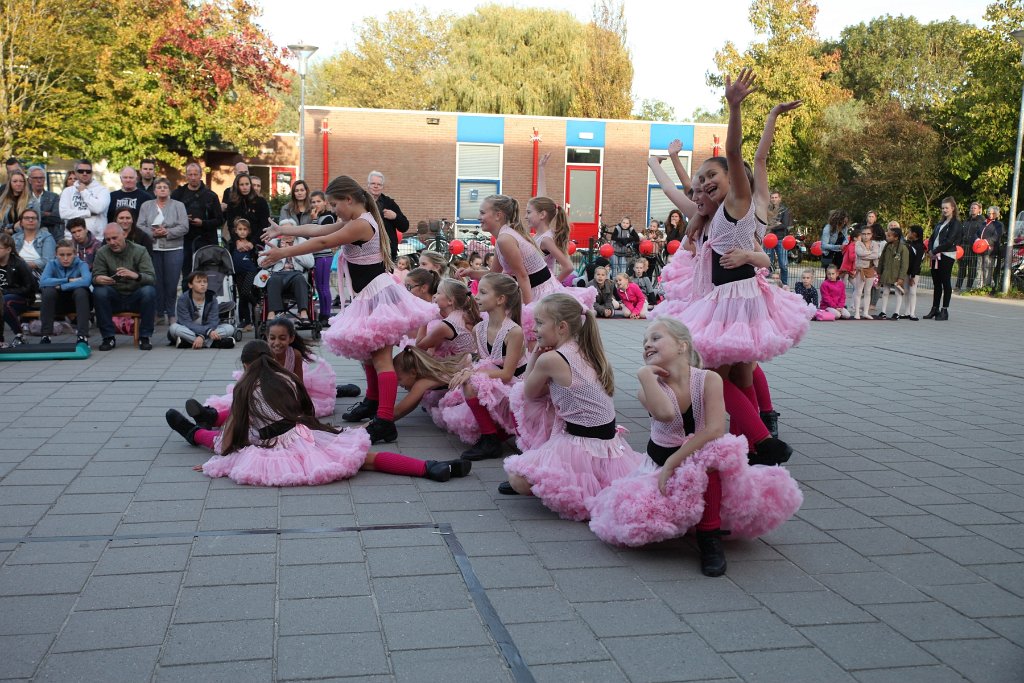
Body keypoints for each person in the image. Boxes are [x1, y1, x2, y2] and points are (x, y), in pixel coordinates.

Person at [588, 318, 802, 576]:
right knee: (645, 517)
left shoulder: (709, 379)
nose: (647, 344)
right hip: (659, 464)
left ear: (682, 346)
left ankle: (709, 537)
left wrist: (674, 461)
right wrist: (644, 375)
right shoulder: (648, 388)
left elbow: (714, 429)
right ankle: (694, 521)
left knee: (711, 459)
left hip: (689, 458)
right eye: (644, 341)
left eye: (655, 338)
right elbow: (666, 414)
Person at [259, 175, 438, 445]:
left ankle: (385, 421)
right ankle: (373, 401)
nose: (333, 210)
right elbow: (319, 231)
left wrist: (282, 254)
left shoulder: (362, 224)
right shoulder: (357, 220)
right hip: (366, 296)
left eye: (334, 204)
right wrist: (285, 231)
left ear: (349, 199)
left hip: (377, 297)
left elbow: (323, 243)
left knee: (381, 359)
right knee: (368, 356)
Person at [166, 341, 471, 486]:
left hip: (273, 445)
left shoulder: (243, 388)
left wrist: (219, 459)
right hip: (304, 433)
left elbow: (232, 429)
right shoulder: (286, 378)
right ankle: (430, 466)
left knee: (227, 445)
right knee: (364, 459)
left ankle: (192, 432)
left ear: (246, 365)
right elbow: (305, 411)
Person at [501, 293, 646, 521]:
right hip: (608, 444)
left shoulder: (551, 359)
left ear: (561, 327)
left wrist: (534, 358)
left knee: (517, 479)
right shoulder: (584, 348)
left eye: (540, 323)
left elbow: (527, 394)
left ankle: (550, 484)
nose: (534, 329)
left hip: (579, 445)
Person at [457, 195, 575, 342]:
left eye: (482, 213)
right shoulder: (503, 236)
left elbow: (523, 276)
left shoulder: (505, 238)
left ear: (498, 215)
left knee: (534, 340)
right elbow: (494, 273)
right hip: (533, 288)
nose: (478, 217)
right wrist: (471, 273)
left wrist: (528, 311)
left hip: (538, 291)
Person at [436, 273, 525, 459]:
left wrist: (472, 373)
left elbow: (508, 374)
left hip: (519, 386)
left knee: (471, 382)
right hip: (499, 379)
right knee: (469, 382)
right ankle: (491, 437)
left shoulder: (514, 331)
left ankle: (497, 435)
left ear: (500, 299)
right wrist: (470, 371)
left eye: (483, 292)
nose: (476, 296)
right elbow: (487, 362)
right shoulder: (479, 329)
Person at [201, 317, 336, 419]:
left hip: (286, 392)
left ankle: (212, 418)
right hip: (260, 390)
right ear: (266, 337)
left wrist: (298, 403)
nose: (277, 343)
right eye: (272, 338)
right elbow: (254, 383)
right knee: (244, 408)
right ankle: (211, 415)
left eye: (282, 338)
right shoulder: (263, 354)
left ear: (291, 338)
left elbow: (298, 382)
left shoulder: (295, 355)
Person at [92, 223, 157, 351]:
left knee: (149, 291)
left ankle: (145, 337)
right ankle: (108, 337)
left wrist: (135, 275)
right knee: (99, 291)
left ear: (124, 235)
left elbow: (152, 278)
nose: (111, 242)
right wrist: (98, 279)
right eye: (108, 239)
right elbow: (95, 277)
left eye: (115, 238)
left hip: (135, 297)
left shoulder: (140, 250)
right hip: (114, 297)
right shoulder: (101, 252)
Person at [137, 178, 188, 326]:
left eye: (165, 187)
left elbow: (184, 226)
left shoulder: (178, 205)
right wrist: (153, 233)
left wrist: (167, 232)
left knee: (171, 283)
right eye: (159, 187)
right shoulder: (146, 206)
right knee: (156, 282)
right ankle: (158, 313)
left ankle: (171, 313)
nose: (162, 189)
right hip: (153, 249)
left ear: (169, 190)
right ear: (154, 191)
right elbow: (139, 225)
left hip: (174, 248)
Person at [171, 162, 223, 290]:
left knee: (206, 276)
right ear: (186, 176)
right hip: (184, 240)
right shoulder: (178, 194)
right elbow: (170, 217)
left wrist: (203, 223)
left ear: (200, 175)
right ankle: (186, 305)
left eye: (196, 174)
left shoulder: (211, 195)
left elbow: (220, 220)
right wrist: (183, 219)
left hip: (206, 240)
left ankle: (206, 305)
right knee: (187, 275)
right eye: (190, 174)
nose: (193, 177)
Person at [39, 239, 91, 344]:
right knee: (48, 291)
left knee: (81, 291)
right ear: (56, 254)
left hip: (77, 302)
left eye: (69, 254)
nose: (65, 258)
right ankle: (46, 335)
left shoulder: (82, 264)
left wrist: (63, 286)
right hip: (57, 303)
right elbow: (43, 282)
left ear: (75, 254)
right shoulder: (51, 264)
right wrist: (67, 280)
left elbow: (86, 281)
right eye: (61, 255)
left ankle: (82, 336)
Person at [168, 270, 235, 349]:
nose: (203, 284)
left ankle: (189, 342)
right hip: (190, 329)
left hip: (208, 330)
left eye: (205, 282)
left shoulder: (212, 298)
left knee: (229, 328)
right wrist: (207, 332)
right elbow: (186, 322)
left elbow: (213, 321)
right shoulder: (183, 299)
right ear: (190, 285)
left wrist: (202, 336)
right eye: (198, 282)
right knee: (174, 328)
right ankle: (214, 343)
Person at [416, 278, 480, 358]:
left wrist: (425, 317)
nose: (434, 296)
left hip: (461, 367)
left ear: (450, 301)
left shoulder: (447, 325)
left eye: (438, 293)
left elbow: (420, 346)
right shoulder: (464, 313)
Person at [924, 197, 964, 321]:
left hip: (946, 255)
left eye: (947, 208)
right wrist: (930, 250)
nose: (944, 210)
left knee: (945, 282)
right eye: (942, 208)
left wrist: (935, 251)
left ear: (953, 208)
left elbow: (950, 241)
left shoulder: (955, 223)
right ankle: (934, 308)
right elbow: (931, 238)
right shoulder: (940, 223)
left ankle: (944, 310)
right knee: (936, 283)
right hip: (935, 255)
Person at [265, 230, 314, 319]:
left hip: (296, 273)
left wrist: (292, 251)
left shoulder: (302, 242)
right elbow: (262, 263)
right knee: (272, 280)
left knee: (299, 279)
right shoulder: (273, 243)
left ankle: (303, 312)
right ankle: (273, 313)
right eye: (284, 232)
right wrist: (278, 255)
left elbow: (310, 263)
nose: (288, 234)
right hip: (278, 273)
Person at [58, 160, 110, 240]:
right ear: (76, 173)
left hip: (96, 239)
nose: (84, 173)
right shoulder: (68, 191)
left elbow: (98, 209)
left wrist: (83, 191)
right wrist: (88, 213)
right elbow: (64, 213)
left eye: (88, 171)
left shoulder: (102, 190)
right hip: (71, 239)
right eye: (81, 171)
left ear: (92, 173)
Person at [0, 233, 36, 347]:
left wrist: (6, 292)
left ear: (9, 249)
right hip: (2, 297)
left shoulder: (19, 263)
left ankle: (20, 335)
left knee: (5, 302)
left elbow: (30, 287)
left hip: (22, 298)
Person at [366, 171, 407, 261]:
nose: (376, 186)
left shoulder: (389, 203)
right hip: (366, 252)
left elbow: (404, 226)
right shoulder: (361, 202)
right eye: (373, 183)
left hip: (387, 253)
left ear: (382, 187)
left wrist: (395, 217)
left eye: (379, 184)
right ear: (368, 185)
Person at [308, 190, 336, 322]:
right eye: (313, 202)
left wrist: (313, 220)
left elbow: (317, 234)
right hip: (316, 256)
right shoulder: (317, 217)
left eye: (318, 201)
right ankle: (322, 314)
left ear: (325, 202)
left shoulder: (328, 217)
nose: (315, 204)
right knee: (319, 286)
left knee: (324, 286)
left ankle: (326, 314)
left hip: (324, 256)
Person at [228, 218, 260, 330]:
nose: (242, 231)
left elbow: (257, 255)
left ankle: (256, 304)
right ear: (235, 231)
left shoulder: (251, 245)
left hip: (250, 271)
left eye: (245, 229)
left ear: (249, 231)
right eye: (240, 229)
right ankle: (247, 322)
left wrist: (252, 246)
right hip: (237, 272)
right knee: (242, 296)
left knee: (246, 291)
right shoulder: (232, 244)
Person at [223, 173, 269, 245]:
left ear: (250, 185)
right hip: (238, 244)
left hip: (257, 243)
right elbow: (231, 225)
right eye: (242, 185)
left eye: (247, 184)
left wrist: (252, 243)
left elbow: (264, 225)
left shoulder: (261, 202)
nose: (245, 187)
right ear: (237, 186)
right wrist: (237, 242)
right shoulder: (232, 203)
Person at [876, 223, 909, 320]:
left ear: (896, 237)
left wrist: (901, 277)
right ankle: (883, 311)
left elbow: (904, 264)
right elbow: (882, 259)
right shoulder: (887, 246)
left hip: (897, 275)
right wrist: (879, 271)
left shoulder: (903, 248)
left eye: (889, 235)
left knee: (898, 293)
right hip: (886, 273)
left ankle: (896, 312)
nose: (887, 236)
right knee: (885, 292)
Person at [12, 207, 56, 274]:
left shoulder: (47, 237)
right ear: (21, 223)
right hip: (16, 271)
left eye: (33, 218)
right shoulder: (15, 238)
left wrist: (24, 266)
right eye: (27, 218)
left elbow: (48, 260)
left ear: (38, 222)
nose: (30, 220)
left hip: (39, 272)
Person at [26, 166, 62, 241]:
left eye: (41, 178)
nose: (39, 181)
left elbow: (57, 217)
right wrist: (46, 213)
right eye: (35, 178)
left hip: (51, 236)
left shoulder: (54, 196)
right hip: (29, 237)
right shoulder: (24, 198)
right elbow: (22, 217)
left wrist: (34, 214)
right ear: (29, 180)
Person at [851, 224, 880, 320]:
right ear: (861, 235)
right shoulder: (858, 243)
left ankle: (866, 312)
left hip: (870, 269)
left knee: (868, 291)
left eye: (868, 234)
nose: (866, 236)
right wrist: (870, 254)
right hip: (861, 270)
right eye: (863, 234)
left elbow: (876, 255)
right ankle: (856, 312)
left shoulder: (875, 244)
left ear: (871, 234)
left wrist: (866, 255)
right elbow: (860, 253)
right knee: (859, 291)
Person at [956, 202, 985, 292]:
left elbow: (982, 234)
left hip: (974, 248)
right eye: (971, 208)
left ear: (979, 210)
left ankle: (969, 287)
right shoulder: (966, 220)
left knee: (972, 268)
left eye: (975, 208)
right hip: (963, 247)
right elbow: (961, 233)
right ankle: (958, 286)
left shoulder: (982, 221)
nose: (972, 209)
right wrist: (958, 244)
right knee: (961, 268)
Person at [899, 225, 926, 321]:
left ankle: (912, 313)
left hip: (914, 273)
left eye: (910, 232)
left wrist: (913, 276)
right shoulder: (909, 244)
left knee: (912, 292)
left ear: (914, 234)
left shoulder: (919, 246)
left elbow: (918, 262)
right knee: (906, 291)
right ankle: (906, 312)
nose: (908, 233)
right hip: (906, 271)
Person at [766, 189, 792, 285]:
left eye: (776, 197)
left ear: (779, 198)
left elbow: (784, 225)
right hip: (768, 239)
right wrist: (776, 223)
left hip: (781, 240)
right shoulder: (767, 209)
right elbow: (764, 223)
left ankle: (784, 286)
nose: (774, 199)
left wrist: (771, 225)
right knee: (768, 264)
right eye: (772, 197)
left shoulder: (785, 210)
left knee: (783, 265)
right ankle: (768, 285)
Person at [975, 206, 1004, 289]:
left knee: (987, 268)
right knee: (979, 267)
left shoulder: (999, 224)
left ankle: (986, 286)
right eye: (989, 213)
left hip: (990, 250)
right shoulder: (983, 223)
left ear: (997, 214)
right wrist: (977, 239)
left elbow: (996, 236)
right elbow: (976, 233)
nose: (990, 215)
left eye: (993, 213)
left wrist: (985, 242)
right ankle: (978, 286)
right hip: (980, 249)